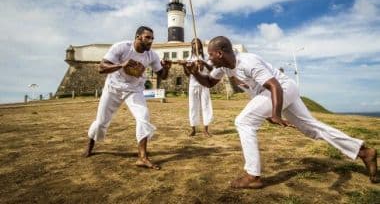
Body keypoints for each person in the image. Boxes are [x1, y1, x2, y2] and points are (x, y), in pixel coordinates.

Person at [186, 36, 378, 188]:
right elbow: (209, 83)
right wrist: (195, 73)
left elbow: (274, 86)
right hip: (281, 91)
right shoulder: (225, 68)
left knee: (243, 122)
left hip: (282, 89)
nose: (208, 58)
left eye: (210, 55)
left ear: (219, 53)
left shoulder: (248, 61)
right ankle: (364, 152)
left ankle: (253, 176)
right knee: (312, 129)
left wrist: (275, 114)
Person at [84, 26, 171, 170]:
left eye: (152, 38)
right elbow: (101, 67)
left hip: (134, 90)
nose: (151, 41)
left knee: (143, 117)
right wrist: (121, 65)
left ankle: (142, 157)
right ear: (138, 37)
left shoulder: (152, 55)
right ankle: (90, 144)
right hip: (113, 88)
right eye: (147, 38)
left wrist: (167, 68)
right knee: (101, 122)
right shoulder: (122, 47)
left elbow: (163, 75)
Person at [182, 38, 213, 137]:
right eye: (193, 43)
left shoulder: (206, 57)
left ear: (200, 45)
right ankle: (193, 129)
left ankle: (205, 129)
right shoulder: (189, 58)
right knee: (193, 106)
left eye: (197, 43)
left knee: (206, 105)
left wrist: (204, 63)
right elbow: (188, 74)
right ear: (191, 46)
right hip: (193, 84)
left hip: (204, 83)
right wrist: (184, 66)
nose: (195, 45)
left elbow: (211, 69)